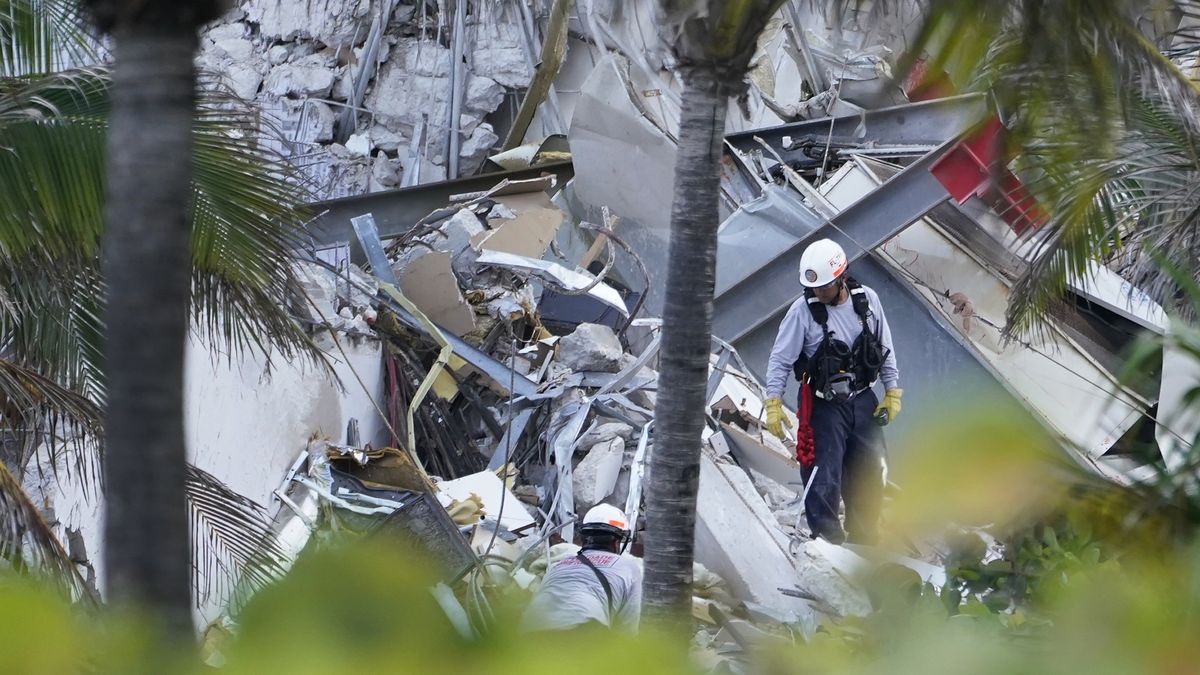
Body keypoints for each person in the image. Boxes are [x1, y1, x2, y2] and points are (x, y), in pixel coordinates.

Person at [763, 238, 902, 544]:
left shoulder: (868, 302)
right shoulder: (802, 312)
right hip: (822, 404)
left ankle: (864, 538)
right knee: (823, 474)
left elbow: (885, 348)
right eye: (813, 288)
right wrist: (773, 401)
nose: (818, 292)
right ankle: (828, 541)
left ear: (841, 278)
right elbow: (780, 359)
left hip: (863, 398)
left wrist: (892, 391)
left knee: (870, 470)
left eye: (824, 287)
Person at [520, 504, 642, 632]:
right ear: (617, 542)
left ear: (583, 537)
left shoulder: (559, 566)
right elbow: (627, 630)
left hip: (530, 632)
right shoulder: (628, 568)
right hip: (583, 632)